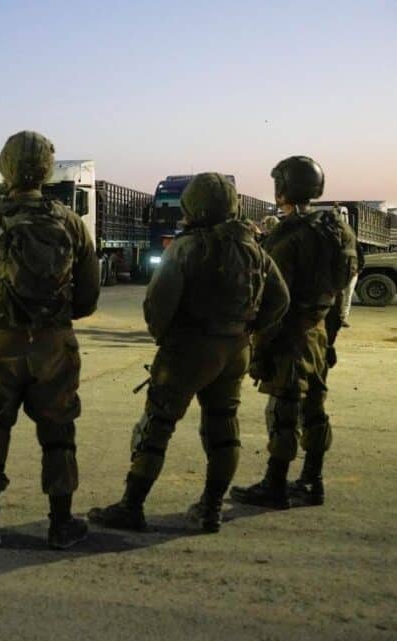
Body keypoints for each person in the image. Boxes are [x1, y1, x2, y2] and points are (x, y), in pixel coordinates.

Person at [86, 173, 289, 533]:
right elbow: (280, 299)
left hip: (188, 350)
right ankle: (211, 508)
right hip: (234, 350)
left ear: (194, 205)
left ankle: (132, 506)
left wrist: (166, 337)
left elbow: (158, 303)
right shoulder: (254, 249)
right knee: (223, 425)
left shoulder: (187, 247)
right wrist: (250, 330)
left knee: (156, 426)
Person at [0, 130, 100, 550]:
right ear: (45, 170)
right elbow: (88, 298)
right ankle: (61, 523)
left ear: (6, 166)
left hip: (0, 343)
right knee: (59, 432)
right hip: (54, 346)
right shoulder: (70, 222)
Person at [231, 157, 357, 509]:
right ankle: (313, 481)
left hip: (289, 334)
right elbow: (342, 285)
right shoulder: (337, 229)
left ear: (283, 188)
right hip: (320, 330)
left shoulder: (289, 236)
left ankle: (274, 485)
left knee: (284, 410)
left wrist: (260, 347)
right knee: (315, 406)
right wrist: (330, 337)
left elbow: (271, 298)